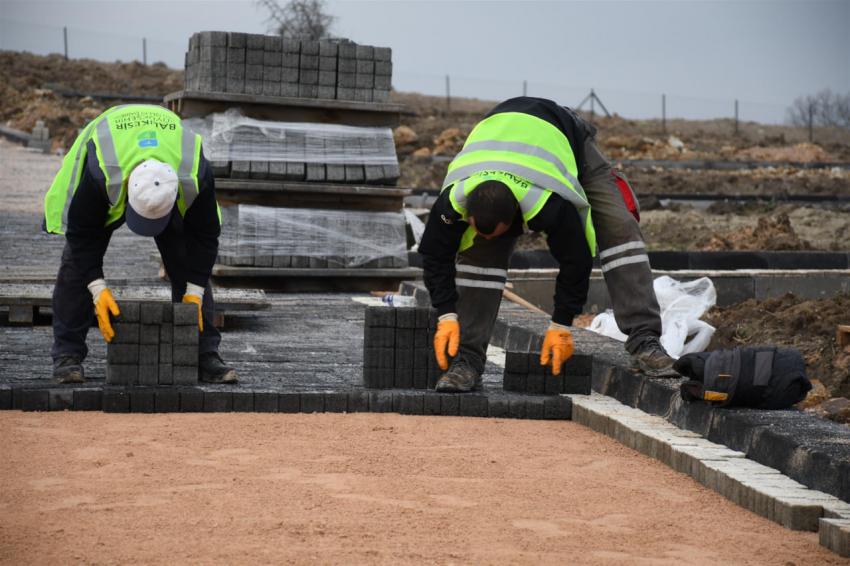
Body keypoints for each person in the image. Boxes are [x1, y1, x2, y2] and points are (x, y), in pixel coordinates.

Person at [419, 96, 677, 392]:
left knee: (619, 229)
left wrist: (561, 325)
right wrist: (447, 315)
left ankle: (645, 340)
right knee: (481, 253)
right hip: (498, 136)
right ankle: (467, 359)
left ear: (519, 217)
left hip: (570, 143)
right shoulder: (452, 202)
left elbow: (576, 258)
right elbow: (434, 256)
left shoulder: (549, 205)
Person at [43, 104, 237, 384]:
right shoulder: (102, 173)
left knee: (187, 259)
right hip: (112, 153)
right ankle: (67, 356)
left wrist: (193, 292)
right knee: (77, 264)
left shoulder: (194, 173)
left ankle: (204, 354)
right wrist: (98, 290)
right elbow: (82, 236)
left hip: (163, 158)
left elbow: (206, 238)